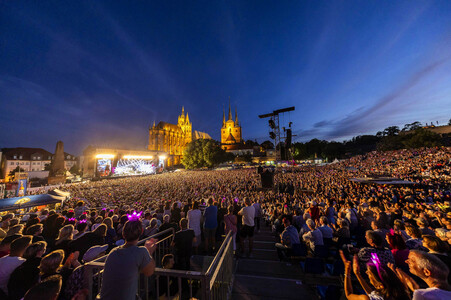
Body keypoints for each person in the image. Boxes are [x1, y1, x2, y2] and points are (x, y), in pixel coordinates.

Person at [100, 219, 157, 300]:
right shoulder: (141, 251)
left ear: (123, 234)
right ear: (141, 232)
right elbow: (149, 272)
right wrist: (149, 252)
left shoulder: (113, 252)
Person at [340, 251, 410, 300]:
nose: (366, 272)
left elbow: (349, 294)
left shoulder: (365, 298)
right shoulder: (401, 294)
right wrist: (358, 274)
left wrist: (347, 272)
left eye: (370, 273)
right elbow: (372, 294)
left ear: (380, 285)